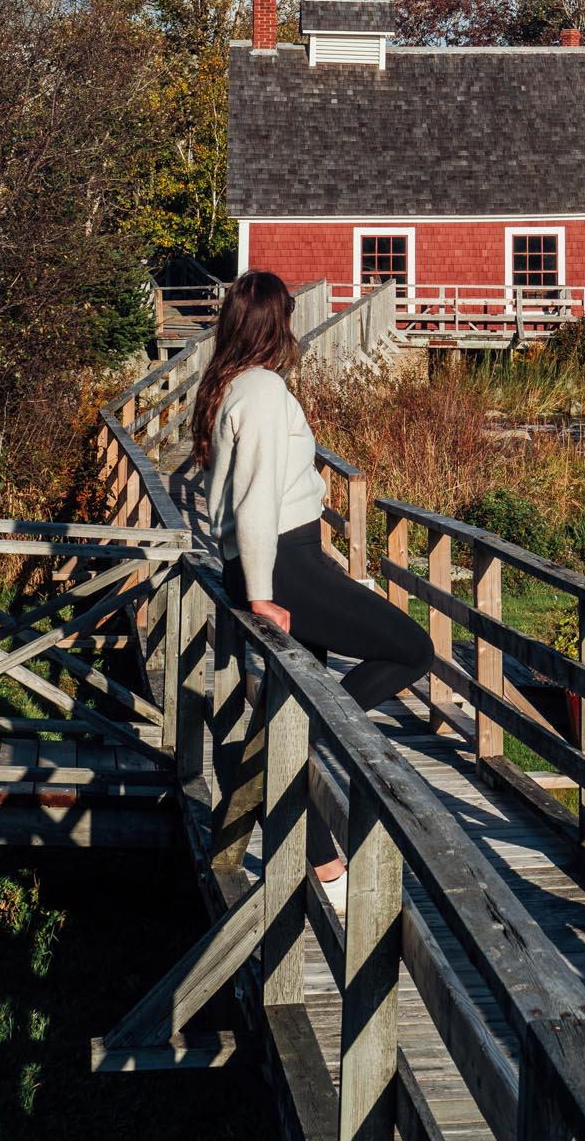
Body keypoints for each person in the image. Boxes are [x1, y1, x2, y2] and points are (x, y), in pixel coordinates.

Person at [191, 269, 432, 907]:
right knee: (410, 650)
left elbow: (217, 497)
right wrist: (267, 590)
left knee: (299, 699)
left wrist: (251, 574)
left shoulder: (226, 387)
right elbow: (259, 496)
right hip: (281, 563)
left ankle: (322, 861)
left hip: (268, 562)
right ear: (276, 324)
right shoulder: (265, 391)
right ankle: (301, 752)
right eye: (289, 318)